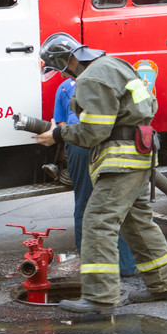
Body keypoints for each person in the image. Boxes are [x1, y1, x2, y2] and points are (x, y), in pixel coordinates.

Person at [35, 32, 167, 315]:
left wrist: (58, 133)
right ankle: (165, 284)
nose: (63, 74)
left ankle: (100, 296)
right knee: (137, 222)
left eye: (61, 68)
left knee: (97, 221)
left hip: (120, 159)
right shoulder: (115, 64)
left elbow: (94, 132)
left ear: (68, 60)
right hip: (140, 152)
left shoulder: (90, 79)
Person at [54, 77, 137, 277]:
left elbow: (63, 127)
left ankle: (93, 271)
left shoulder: (65, 87)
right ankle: (125, 266)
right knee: (116, 206)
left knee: (85, 204)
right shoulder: (110, 79)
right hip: (114, 143)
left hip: (80, 146)